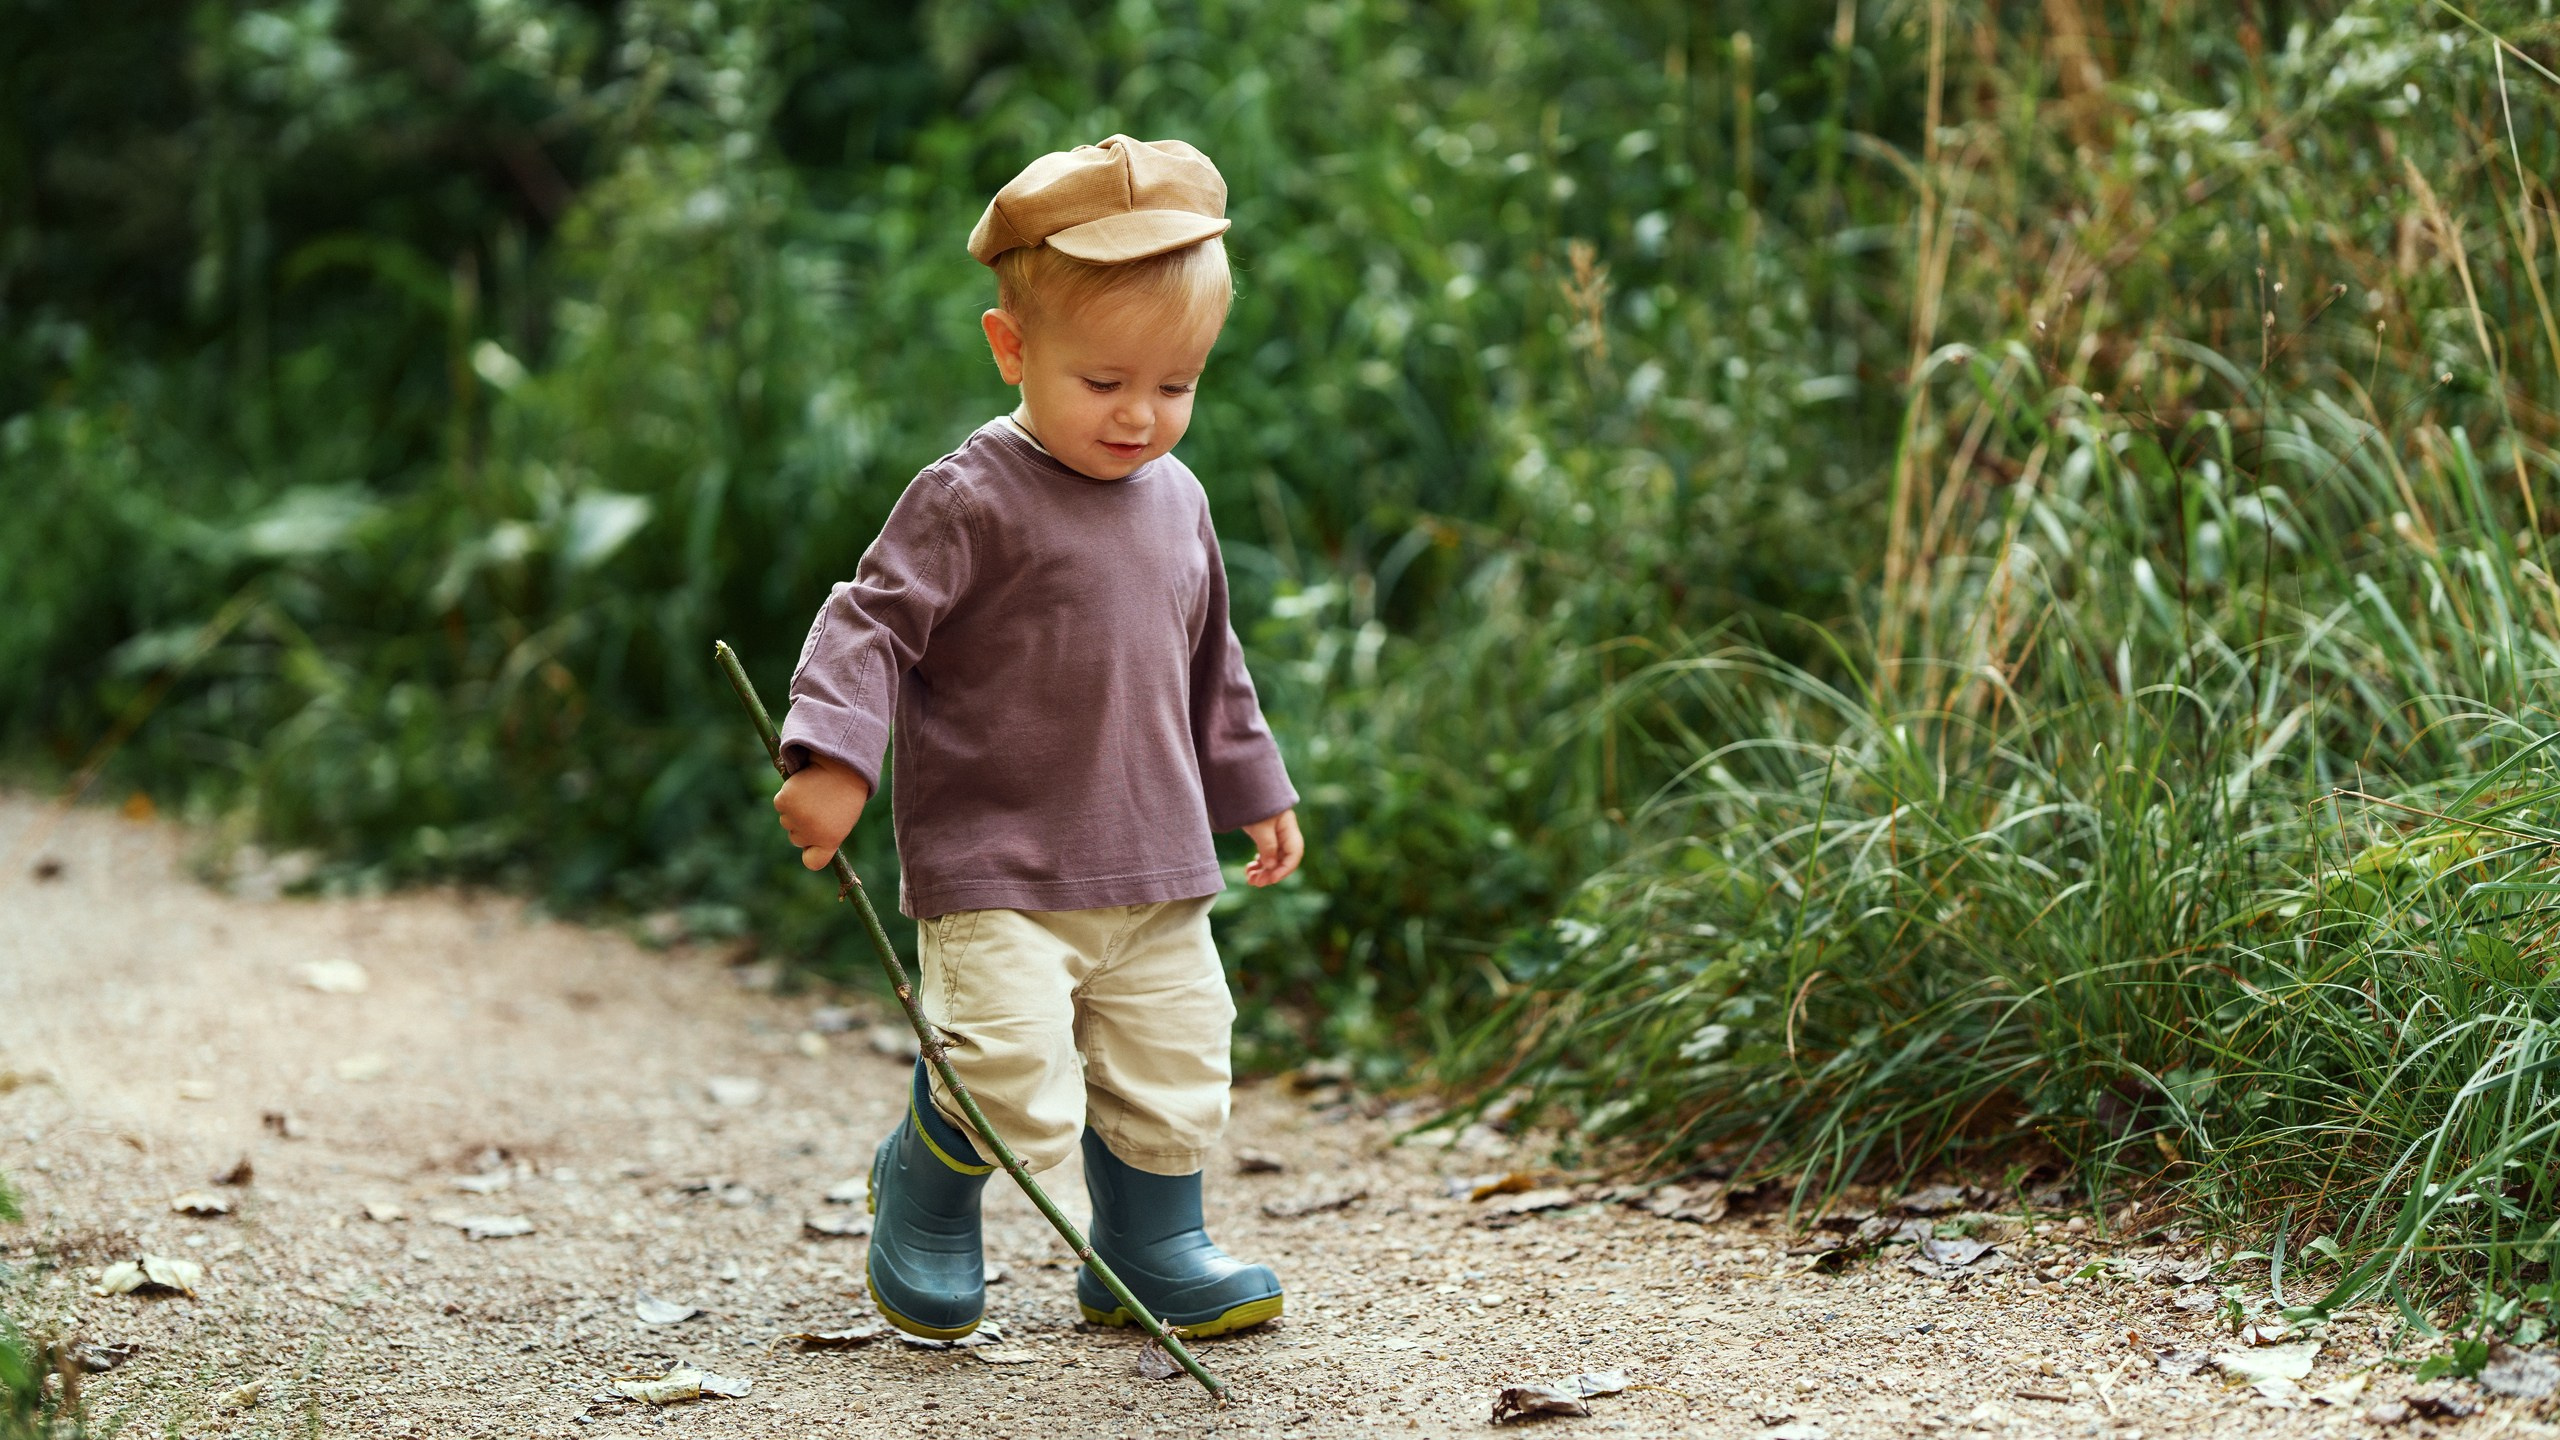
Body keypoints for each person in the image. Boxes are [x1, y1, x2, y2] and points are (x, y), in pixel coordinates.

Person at [769, 134, 1304, 1342]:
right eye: (1104, 382)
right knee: (1009, 1073)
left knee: (1172, 1066)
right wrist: (835, 757)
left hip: (1155, 854)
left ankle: (1149, 1249)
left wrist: (1252, 783)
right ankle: (925, 1179)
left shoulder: (1181, 501)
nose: (1141, 417)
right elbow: (868, 627)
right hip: (998, 862)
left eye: (1177, 386)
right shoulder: (972, 496)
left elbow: (1211, 658)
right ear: (1012, 349)